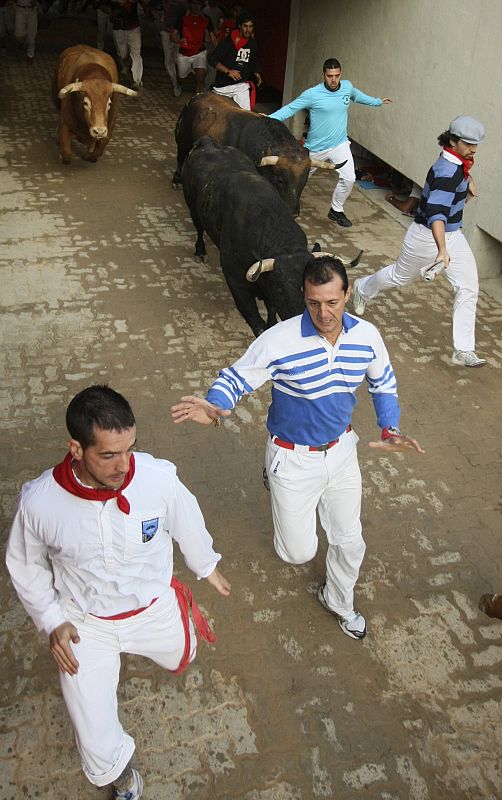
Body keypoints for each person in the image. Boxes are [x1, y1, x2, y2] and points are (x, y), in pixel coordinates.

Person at [172, 256, 423, 642]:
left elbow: (383, 383)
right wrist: (215, 406)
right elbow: (237, 378)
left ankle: (339, 601)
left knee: (349, 539)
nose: (323, 313)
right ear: (304, 298)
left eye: (332, 302)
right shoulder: (278, 339)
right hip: (291, 457)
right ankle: (272, 474)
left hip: (342, 452)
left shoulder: (368, 337)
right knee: (297, 553)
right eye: (313, 303)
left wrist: (390, 428)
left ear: (347, 293)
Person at [6, 385, 230, 800]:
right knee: (90, 720)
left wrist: (207, 565)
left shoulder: (157, 477)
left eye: (129, 449)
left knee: (185, 654)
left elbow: (186, 515)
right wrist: (52, 621)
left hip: (152, 606)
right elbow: (24, 565)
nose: (124, 465)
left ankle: (175, 622)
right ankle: (117, 771)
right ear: (75, 448)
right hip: (85, 622)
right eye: (108, 455)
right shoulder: (39, 503)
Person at [352, 116, 486, 368]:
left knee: (468, 287)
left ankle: (463, 350)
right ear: (453, 141)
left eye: (476, 144)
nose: (474, 149)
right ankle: (362, 287)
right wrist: (442, 250)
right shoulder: (447, 171)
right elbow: (436, 214)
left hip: (453, 234)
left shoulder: (457, 162)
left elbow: (452, 195)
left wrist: (467, 186)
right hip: (427, 236)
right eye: (469, 144)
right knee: (399, 277)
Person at [268, 58, 391, 228]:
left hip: (340, 144)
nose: (333, 80)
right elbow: (290, 108)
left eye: (337, 75)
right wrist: (267, 120)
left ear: (341, 74)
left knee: (349, 178)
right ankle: (277, 208)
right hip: (315, 148)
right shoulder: (312, 94)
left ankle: (336, 210)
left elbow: (357, 96)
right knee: (296, 180)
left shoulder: (347, 87)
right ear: (323, 75)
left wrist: (376, 101)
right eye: (329, 76)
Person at [208, 8, 261, 110]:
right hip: (222, 87)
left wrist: (256, 72)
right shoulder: (228, 42)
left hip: (240, 87)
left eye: (250, 26)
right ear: (239, 26)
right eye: (245, 26)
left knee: (245, 116)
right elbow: (212, 58)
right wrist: (228, 71)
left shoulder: (252, 43)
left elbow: (253, 60)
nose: (248, 30)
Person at [172, 0, 215, 95]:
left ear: (201, 5)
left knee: (201, 74)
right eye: (194, 3)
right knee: (182, 76)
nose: (196, 6)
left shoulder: (206, 19)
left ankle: (198, 93)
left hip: (200, 52)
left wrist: (218, 49)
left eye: (198, 3)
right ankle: (179, 84)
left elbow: (213, 37)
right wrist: (179, 40)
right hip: (184, 53)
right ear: (190, 4)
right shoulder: (182, 18)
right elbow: (173, 35)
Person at [111, 0, 146, 91]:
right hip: (119, 29)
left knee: (136, 53)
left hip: (133, 28)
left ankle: (137, 80)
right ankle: (127, 66)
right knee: (122, 55)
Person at [160, 0, 187, 96]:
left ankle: (179, 82)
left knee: (178, 59)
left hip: (178, 33)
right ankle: (175, 83)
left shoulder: (184, 3)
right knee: (169, 61)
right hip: (166, 31)